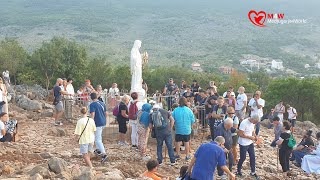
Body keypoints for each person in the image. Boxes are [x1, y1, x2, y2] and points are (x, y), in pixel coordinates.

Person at [236, 114, 260, 179]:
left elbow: (252, 130)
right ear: (252, 119)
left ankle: (253, 172)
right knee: (243, 158)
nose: (255, 123)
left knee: (252, 157)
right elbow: (240, 134)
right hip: (243, 143)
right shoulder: (244, 123)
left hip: (250, 143)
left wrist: (255, 136)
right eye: (255, 122)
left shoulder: (253, 123)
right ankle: (238, 171)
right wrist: (250, 137)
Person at [89, 93, 108, 162]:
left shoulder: (92, 105)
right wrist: (104, 119)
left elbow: (93, 115)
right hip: (103, 122)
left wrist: (91, 123)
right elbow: (106, 113)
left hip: (97, 123)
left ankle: (104, 154)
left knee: (97, 139)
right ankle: (98, 150)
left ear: (91, 98)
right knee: (98, 137)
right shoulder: (102, 103)